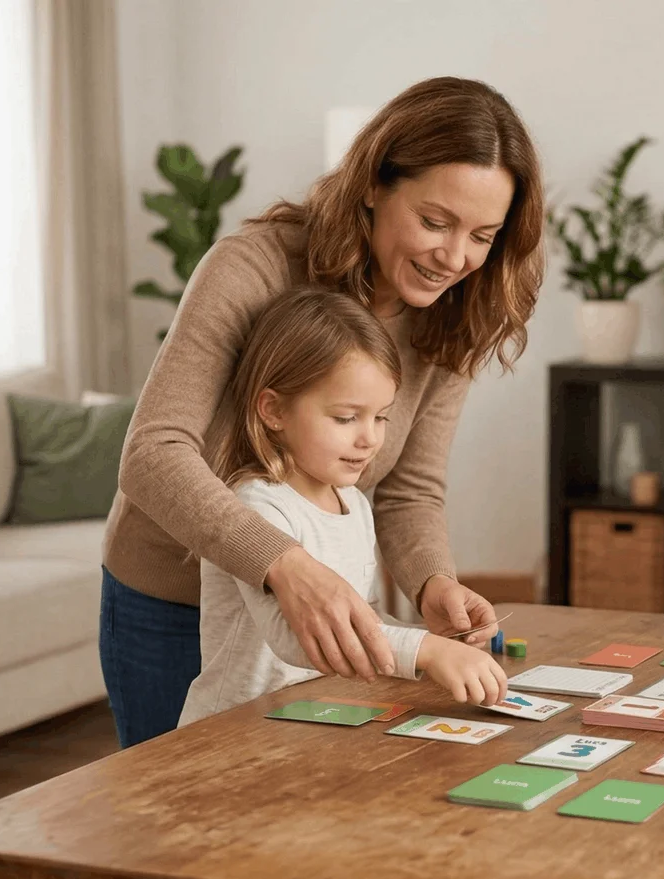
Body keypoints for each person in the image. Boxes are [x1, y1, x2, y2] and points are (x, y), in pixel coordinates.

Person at [101, 77, 542, 747]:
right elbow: (153, 453)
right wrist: (285, 565)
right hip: (171, 601)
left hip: (317, 620)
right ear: (373, 184)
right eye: (434, 221)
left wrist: (432, 583)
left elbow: (407, 487)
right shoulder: (256, 266)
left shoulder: (456, 312)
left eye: (482, 235)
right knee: (171, 834)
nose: (454, 257)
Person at [179, 289, 507, 725]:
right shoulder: (256, 506)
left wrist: (439, 641)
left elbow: (364, 614)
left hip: (312, 719)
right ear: (274, 410)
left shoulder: (352, 503)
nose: (369, 438)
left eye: (381, 417)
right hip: (234, 729)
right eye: (346, 418)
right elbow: (296, 638)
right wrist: (427, 653)